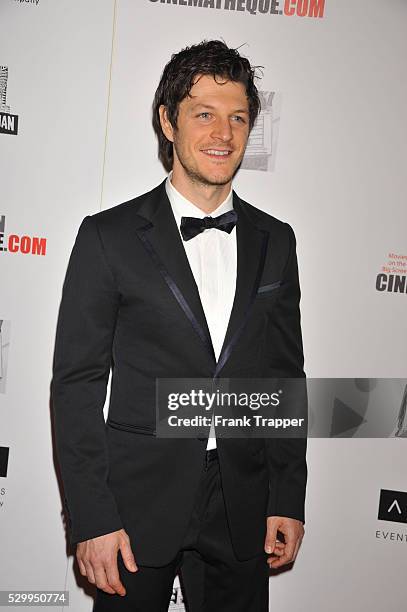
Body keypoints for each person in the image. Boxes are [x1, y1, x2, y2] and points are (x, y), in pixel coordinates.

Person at [51, 39, 307, 612]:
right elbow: (76, 386)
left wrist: (288, 495)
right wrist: (91, 516)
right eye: (204, 114)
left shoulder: (278, 241)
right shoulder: (107, 237)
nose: (223, 132)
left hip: (241, 501)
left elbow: (286, 376)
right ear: (168, 122)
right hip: (137, 503)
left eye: (238, 117)